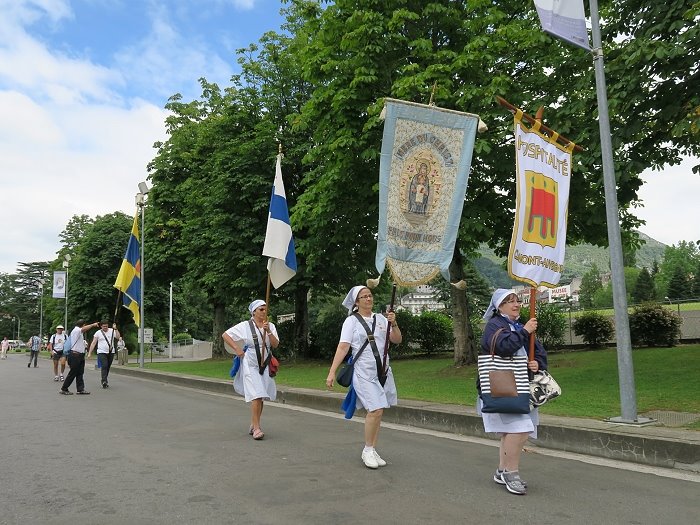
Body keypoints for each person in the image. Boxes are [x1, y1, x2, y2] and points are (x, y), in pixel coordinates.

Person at [478, 289, 548, 496]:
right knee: (520, 430)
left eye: (517, 301)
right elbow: (503, 347)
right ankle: (511, 473)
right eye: (510, 301)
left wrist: (537, 364)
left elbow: (538, 351)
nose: (516, 304)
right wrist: (525, 331)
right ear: (499, 306)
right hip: (502, 388)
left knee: (510, 432)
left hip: (519, 387)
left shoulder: (519, 325)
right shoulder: (495, 325)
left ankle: (502, 471)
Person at [325, 285, 402, 469]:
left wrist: (394, 324)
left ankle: (372, 449)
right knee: (375, 409)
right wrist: (332, 371)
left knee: (379, 410)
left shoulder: (381, 319)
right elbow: (343, 347)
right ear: (356, 302)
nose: (368, 299)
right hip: (364, 372)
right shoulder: (351, 322)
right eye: (364, 297)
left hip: (383, 371)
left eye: (370, 295)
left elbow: (397, 339)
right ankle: (367, 450)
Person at [222, 300, 279, 440]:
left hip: (265, 363)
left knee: (262, 395)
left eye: (265, 309)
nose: (264, 311)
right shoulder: (245, 326)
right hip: (250, 363)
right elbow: (225, 335)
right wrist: (237, 349)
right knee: (256, 394)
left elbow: (275, 344)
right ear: (254, 312)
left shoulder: (270, 326)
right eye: (261, 309)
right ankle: (257, 428)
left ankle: (254, 423)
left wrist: (268, 331)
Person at [60, 319, 99, 395]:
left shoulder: (79, 332)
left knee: (80, 373)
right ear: (83, 325)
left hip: (80, 355)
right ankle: (64, 389)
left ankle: (80, 389)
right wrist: (93, 325)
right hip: (75, 355)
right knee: (73, 373)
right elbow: (83, 329)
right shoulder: (76, 330)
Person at [88, 321, 120, 388]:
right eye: (104, 326)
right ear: (101, 326)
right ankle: (104, 381)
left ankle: (105, 379)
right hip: (101, 352)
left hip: (111, 352)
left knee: (108, 366)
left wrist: (116, 329)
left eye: (106, 326)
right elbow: (93, 343)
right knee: (104, 365)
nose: (105, 327)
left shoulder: (112, 330)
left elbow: (118, 337)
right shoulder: (98, 333)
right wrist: (90, 353)